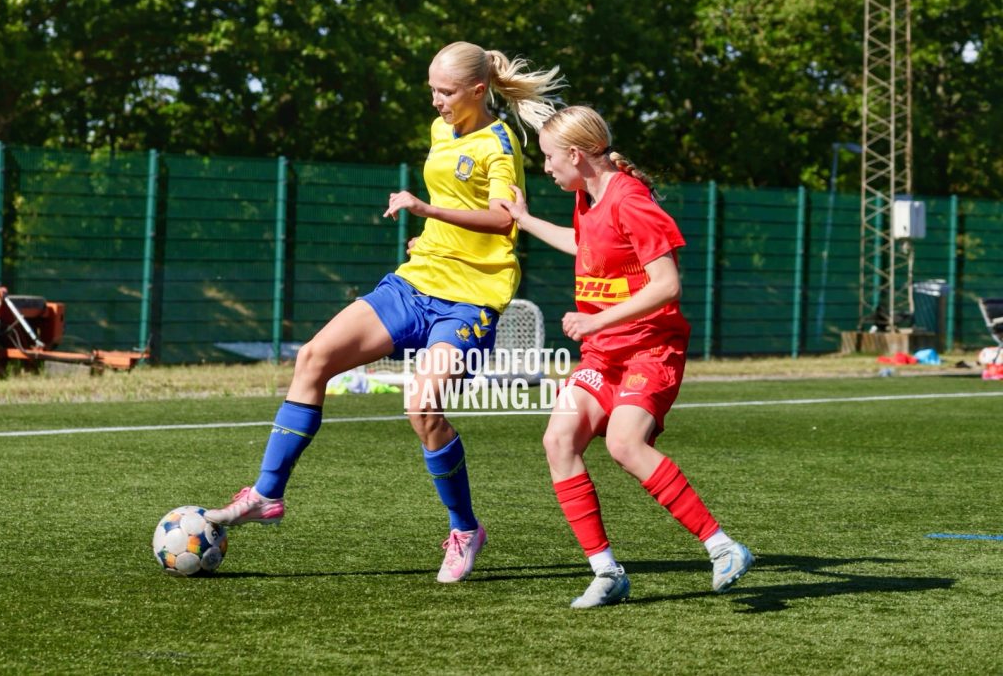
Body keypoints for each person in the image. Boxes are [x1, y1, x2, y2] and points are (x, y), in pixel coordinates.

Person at [206, 41, 565, 584]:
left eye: (446, 92)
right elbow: (457, 203)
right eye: (432, 90)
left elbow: (503, 220)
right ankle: (266, 495)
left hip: (470, 300)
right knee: (313, 357)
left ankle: (465, 530)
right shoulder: (442, 128)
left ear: (476, 90)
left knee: (422, 408)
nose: (436, 101)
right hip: (416, 282)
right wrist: (433, 233)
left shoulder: (500, 143)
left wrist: (424, 208)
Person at [501, 105, 753, 608]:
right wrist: (525, 221)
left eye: (550, 157)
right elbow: (585, 245)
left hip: (650, 350)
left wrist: (596, 320)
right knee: (558, 440)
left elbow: (667, 284)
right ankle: (607, 572)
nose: (545, 167)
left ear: (577, 155)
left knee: (623, 443)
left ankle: (723, 547)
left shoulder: (631, 200)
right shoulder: (587, 196)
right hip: (603, 355)